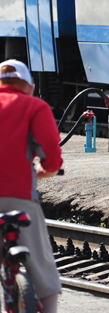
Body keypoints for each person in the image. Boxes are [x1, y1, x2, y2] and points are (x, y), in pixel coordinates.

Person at [0, 59, 62, 313]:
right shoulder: (34, 106)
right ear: (28, 86)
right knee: (41, 263)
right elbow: (52, 157)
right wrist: (46, 170)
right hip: (18, 194)